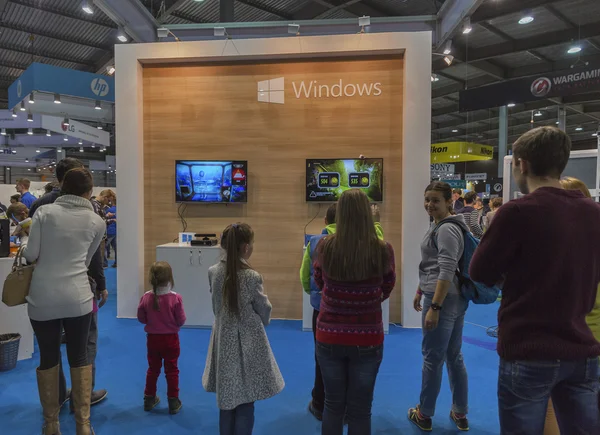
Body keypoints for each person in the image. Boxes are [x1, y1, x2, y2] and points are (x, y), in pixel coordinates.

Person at [470, 127, 600, 434]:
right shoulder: (594, 212)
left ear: (521, 164)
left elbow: (480, 272)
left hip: (528, 349)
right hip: (581, 348)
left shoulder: (516, 212)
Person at [23, 168, 105, 435]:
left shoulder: (44, 214)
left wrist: (26, 248)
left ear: (62, 187)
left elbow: (31, 254)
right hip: (78, 296)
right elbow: (87, 259)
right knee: (79, 357)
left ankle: (51, 424)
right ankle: (83, 425)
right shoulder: (96, 221)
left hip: (42, 297)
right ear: (89, 192)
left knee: (48, 356)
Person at [313, 190, 395, 435]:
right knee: (360, 409)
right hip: (368, 337)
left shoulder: (325, 246)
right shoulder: (383, 249)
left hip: (329, 335)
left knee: (332, 405)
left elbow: (319, 281)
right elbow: (387, 285)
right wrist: (368, 300)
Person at [299, 203, 384, 421]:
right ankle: (350, 410)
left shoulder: (318, 243)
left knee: (323, 361)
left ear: (326, 222)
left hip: (325, 313)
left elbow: (307, 275)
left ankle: (319, 404)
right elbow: (387, 281)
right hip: (365, 320)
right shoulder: (375, 243)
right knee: (358, 370)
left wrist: (318, 296)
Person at [203, 223, 284, 435]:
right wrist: (265, 316)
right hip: (248, 342)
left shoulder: (213, 272)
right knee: (247, 397)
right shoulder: (252, 276)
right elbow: (263, 308)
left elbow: (215, 307)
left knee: (227, 398)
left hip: (223, 339)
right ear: (246, 247)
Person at [409, 181, 470, 432]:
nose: (429, 204)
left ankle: (424, 414)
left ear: (448, 201)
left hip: (443, 299)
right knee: (453, 356)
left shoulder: (446, 229)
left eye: (435, 200)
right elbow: (435, 265)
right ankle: (460, 412)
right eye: (427, 199)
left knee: (433, 358)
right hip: (447, 296)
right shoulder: (440, 226)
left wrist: (434, 305)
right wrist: (420, 289)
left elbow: (446, 269)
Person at [137, 261, 186, 415]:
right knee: (172, 370)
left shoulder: (145, 297)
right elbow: (181, 320)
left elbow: (141, 318)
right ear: (170, 278)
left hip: (152, 340)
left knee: (153, 369)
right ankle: (173, 401)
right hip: (171, 340)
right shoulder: (176, 298)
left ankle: (149, 399)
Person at [105, 204, 116, 268]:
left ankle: (105, 263)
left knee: (104, 247)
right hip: (116, 231)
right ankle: (117, 262)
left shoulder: (109, 210)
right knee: (116, 248)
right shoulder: (120, 210)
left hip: (109, 231)